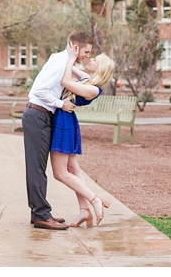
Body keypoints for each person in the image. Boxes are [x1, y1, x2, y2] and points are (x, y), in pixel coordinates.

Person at [22, 30, 92, 231]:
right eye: (85, 52)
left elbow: (85, 78)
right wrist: (60, 103)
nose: (87, 56)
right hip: (38, 115)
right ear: (76, 47)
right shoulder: (60, 63)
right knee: (36, 168)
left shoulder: (61, 60)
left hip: (41, 116)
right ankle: (41, 215)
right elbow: (38, 91)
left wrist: (73, 62)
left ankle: (39, 212)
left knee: (38, 168)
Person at [51, 46, 116, 227]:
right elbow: (70, 68)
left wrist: (71, 59)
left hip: (64, 125)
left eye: (95, 60)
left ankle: (94, 200)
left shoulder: (94, 89)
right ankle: (84, 211)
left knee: (60, 173)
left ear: (100, 68)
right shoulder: (87, 79)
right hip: (65, 121)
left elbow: (65, 80)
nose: (91, 60)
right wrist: (67, 54)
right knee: (73, 168)